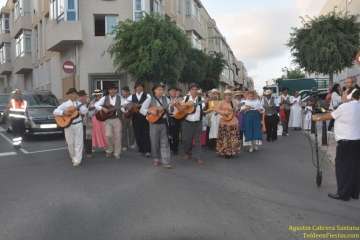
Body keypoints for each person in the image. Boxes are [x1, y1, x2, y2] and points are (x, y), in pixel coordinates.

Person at [313, 90, 360, 201]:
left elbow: (329, 116)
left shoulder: (345, 107)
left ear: (349, 96)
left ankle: (343, 194)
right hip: (357, 142)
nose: (341, 96)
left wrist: (316, 117)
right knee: (355, 168)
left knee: (342, 168)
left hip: (345, 143)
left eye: (343, 94)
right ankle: (354, 193)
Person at [140, 84, 173, 169]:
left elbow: (170, 111)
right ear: (154, 91)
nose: (161, 91)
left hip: (164, 123)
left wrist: (172, 106)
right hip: (153, 123)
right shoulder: (150, 99)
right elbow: (142, 110)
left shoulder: (167, 99)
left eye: (162, 90)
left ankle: (166, 161)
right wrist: (150, 112)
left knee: (165, 142)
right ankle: (156, 158)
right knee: (154, 142)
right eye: (159, 89)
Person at [53, 88, 88, 167]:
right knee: (70, 143)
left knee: (79, 143)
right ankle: (73, 157)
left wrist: (84, 105)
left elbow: (85, 112)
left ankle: (78, 160)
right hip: (68, 125)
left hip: (78, 124)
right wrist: (63, 112)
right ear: (69, 95)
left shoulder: (79, 103)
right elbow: (55, 111)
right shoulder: (65, 104)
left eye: (74, 94)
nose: (73, 95)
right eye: (71, 94)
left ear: (76, 95)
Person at [95, 84, 123, 159]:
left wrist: (125, 109)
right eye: (111, 89)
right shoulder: (105, 98)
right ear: (108, 90)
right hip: (107, 119)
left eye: (114, 89)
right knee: (108, 135)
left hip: (117, 119)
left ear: (116, 90)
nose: (112, 91)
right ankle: (110, 149)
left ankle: (117, 153)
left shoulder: (120, 98)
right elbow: (96, 105)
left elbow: (125, 105)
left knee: (118, 136)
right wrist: (102, 108)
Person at [182, 83, 206, 165]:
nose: (194, 91)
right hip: (187, 123)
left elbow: (202, 106)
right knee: (186, 140)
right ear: (189, 90)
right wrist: (187, 105)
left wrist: (196, 105)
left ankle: (198, 157)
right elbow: (182, 107)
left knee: (198, 141)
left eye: (196, 89)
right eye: (193, 89)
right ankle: (187, 153)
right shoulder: (185, 98)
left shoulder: (201, 99)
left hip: (197, 123)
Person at [127, 82, 151, 157]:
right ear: (135, 88)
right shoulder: (131, 96)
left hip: (145, 117)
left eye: (140, 87)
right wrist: (131, 106)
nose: (139, 88)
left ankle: (147, 150)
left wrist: (140, 106)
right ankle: (141, 149)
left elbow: (150, 104)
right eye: (137, 87)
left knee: (146, 133)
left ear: (143, 88)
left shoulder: (147, 95)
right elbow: (126, 104)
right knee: (137, 133)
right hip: (135, 117)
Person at [215, 90, 240, 158]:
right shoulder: (221, 102)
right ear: (224, 96)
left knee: (233, 138)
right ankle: (225, 151)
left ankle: (232, 151)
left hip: (233, 122)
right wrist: (224, 112)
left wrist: (235, 109)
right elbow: (216, 109)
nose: (228, 96)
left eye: (229, 95)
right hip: (224, 122)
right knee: (224, 138)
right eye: (227, 95)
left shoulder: (234, 102)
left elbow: (237, 110)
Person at [120, 86, 136, 151]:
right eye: (122, 92)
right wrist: (123, 110)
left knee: (131, 130)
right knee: (123, 130)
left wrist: (128, 107)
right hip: (123, 115)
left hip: (131, 115)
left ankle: (132, 143)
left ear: (128, 92)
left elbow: (133, 106)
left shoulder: (132, 98)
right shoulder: (121, 98)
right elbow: (121, 107)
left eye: (123, 92)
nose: (123, 93)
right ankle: (124, 145)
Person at [167, 86, 181, 155]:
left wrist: (176, 105)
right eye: (171, 91)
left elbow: (181, 109)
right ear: (169, 92)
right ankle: (170, 147)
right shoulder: (166, 99)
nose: (173, 92)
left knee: (176, 134)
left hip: (176, 118)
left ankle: (175, 149)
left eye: (174, 91)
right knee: (168, 134)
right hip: (168, 117)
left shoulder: (179, 99)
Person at [77, 90, 92, 158]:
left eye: (85, 96)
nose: (85, 97)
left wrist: (89, 111)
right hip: (78, 123)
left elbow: (92, 113)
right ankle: (80, 151)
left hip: (87, 123)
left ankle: (88, 152)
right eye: (84, 96)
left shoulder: (89, 103)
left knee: (88, 138)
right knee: (80, 138)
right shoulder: (76, 104)